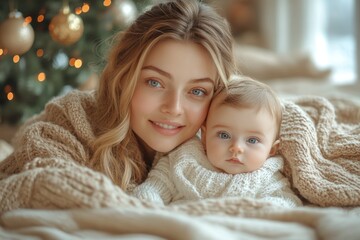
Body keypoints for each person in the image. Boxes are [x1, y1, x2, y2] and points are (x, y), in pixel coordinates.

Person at [0, 0, 236, 211]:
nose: (174, 108)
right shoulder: (70, 121)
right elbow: (36, 183)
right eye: (155, 82)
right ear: (124, 78)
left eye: (197, 91)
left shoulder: (222, 136)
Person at [132, 76, 303, 208]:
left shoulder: (266, 177)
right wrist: (151, 206)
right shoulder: (183, 159)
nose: (236, 148)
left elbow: (286, 203)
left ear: (271, 150)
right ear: (204, 136)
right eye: (223, 135)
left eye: (252, 140)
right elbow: (152, 188)